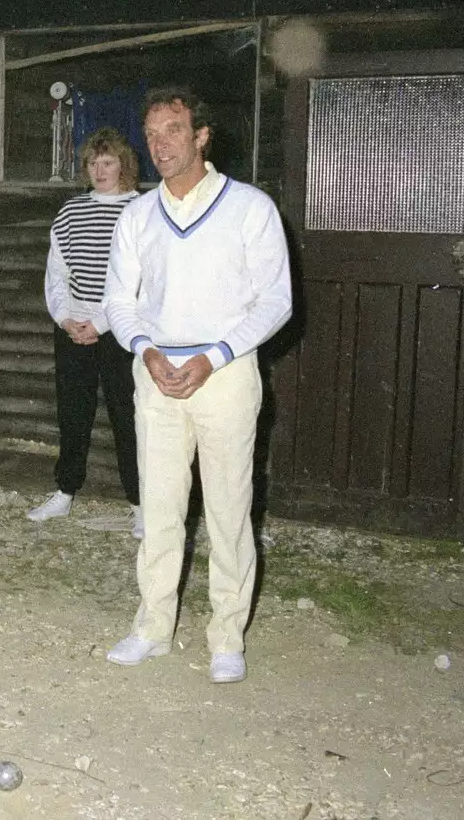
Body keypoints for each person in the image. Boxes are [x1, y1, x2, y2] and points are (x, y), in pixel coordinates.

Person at [100, 87, 291, 685]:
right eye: (152, 134)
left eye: (174, 131)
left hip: (226, 375)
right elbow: (118, 301)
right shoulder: (136, 215)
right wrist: (146, 349)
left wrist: (215, 357)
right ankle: (153, 627)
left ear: (202, 135)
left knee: (230, 509)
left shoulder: (249, 207)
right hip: (155, 374)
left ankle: (227, 636)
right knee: (159, 507)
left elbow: (276, 301)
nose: (160, 145)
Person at [26, 128, 143, 538]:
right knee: (72, 415)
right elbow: (56, 274)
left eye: (108, 162)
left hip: (120, 332)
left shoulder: (140, 211)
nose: (100, 170)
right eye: (93, 162)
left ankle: (141, 505)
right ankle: (64, 492)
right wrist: (64, 319)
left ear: (124, 165)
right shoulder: (71, 211)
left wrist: (102, 323)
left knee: (128, 417)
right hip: (73, 328)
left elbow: (139, 281)